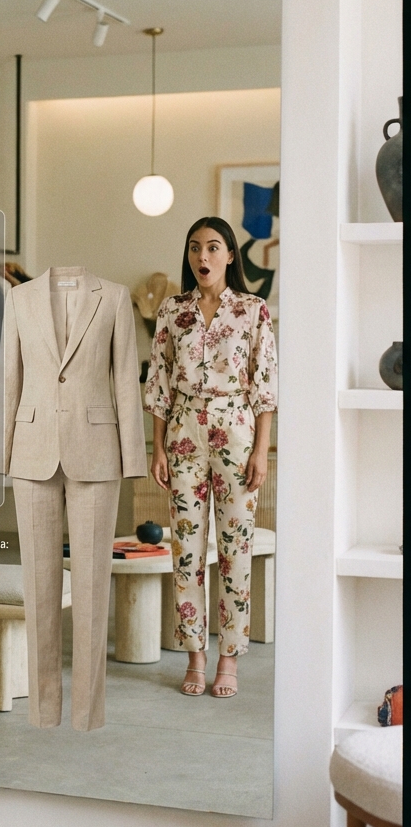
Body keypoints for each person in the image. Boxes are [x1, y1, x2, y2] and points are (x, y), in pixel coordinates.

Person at [144, 217, 278, 698]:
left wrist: (262, 451)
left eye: (213, 247)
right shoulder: (171, 311)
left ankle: (229, 659)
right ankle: (195, 657)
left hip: (237, 432)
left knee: (235, 548)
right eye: (195, 247)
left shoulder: (252, 310)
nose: (202, 256)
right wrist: (157, 446)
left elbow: (265, 388)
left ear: (229, 256)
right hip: (182, 430)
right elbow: (158, 384)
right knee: (186, 548)